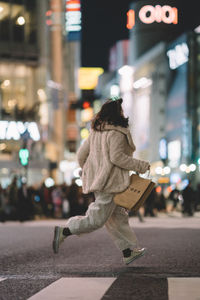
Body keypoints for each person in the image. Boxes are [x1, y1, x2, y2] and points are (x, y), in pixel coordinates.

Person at [52, 98, 150, 265]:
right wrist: (141, 165)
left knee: (117, 217)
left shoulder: (96, 132)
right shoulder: (117, 132)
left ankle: (128, 252)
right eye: (121, 110)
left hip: (103, 180)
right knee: (97, 219)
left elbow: (81, 155)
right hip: (112, 182)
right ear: (117, 113)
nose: (123, 113)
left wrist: (92, 171)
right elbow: (117, 157)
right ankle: (65, 231)